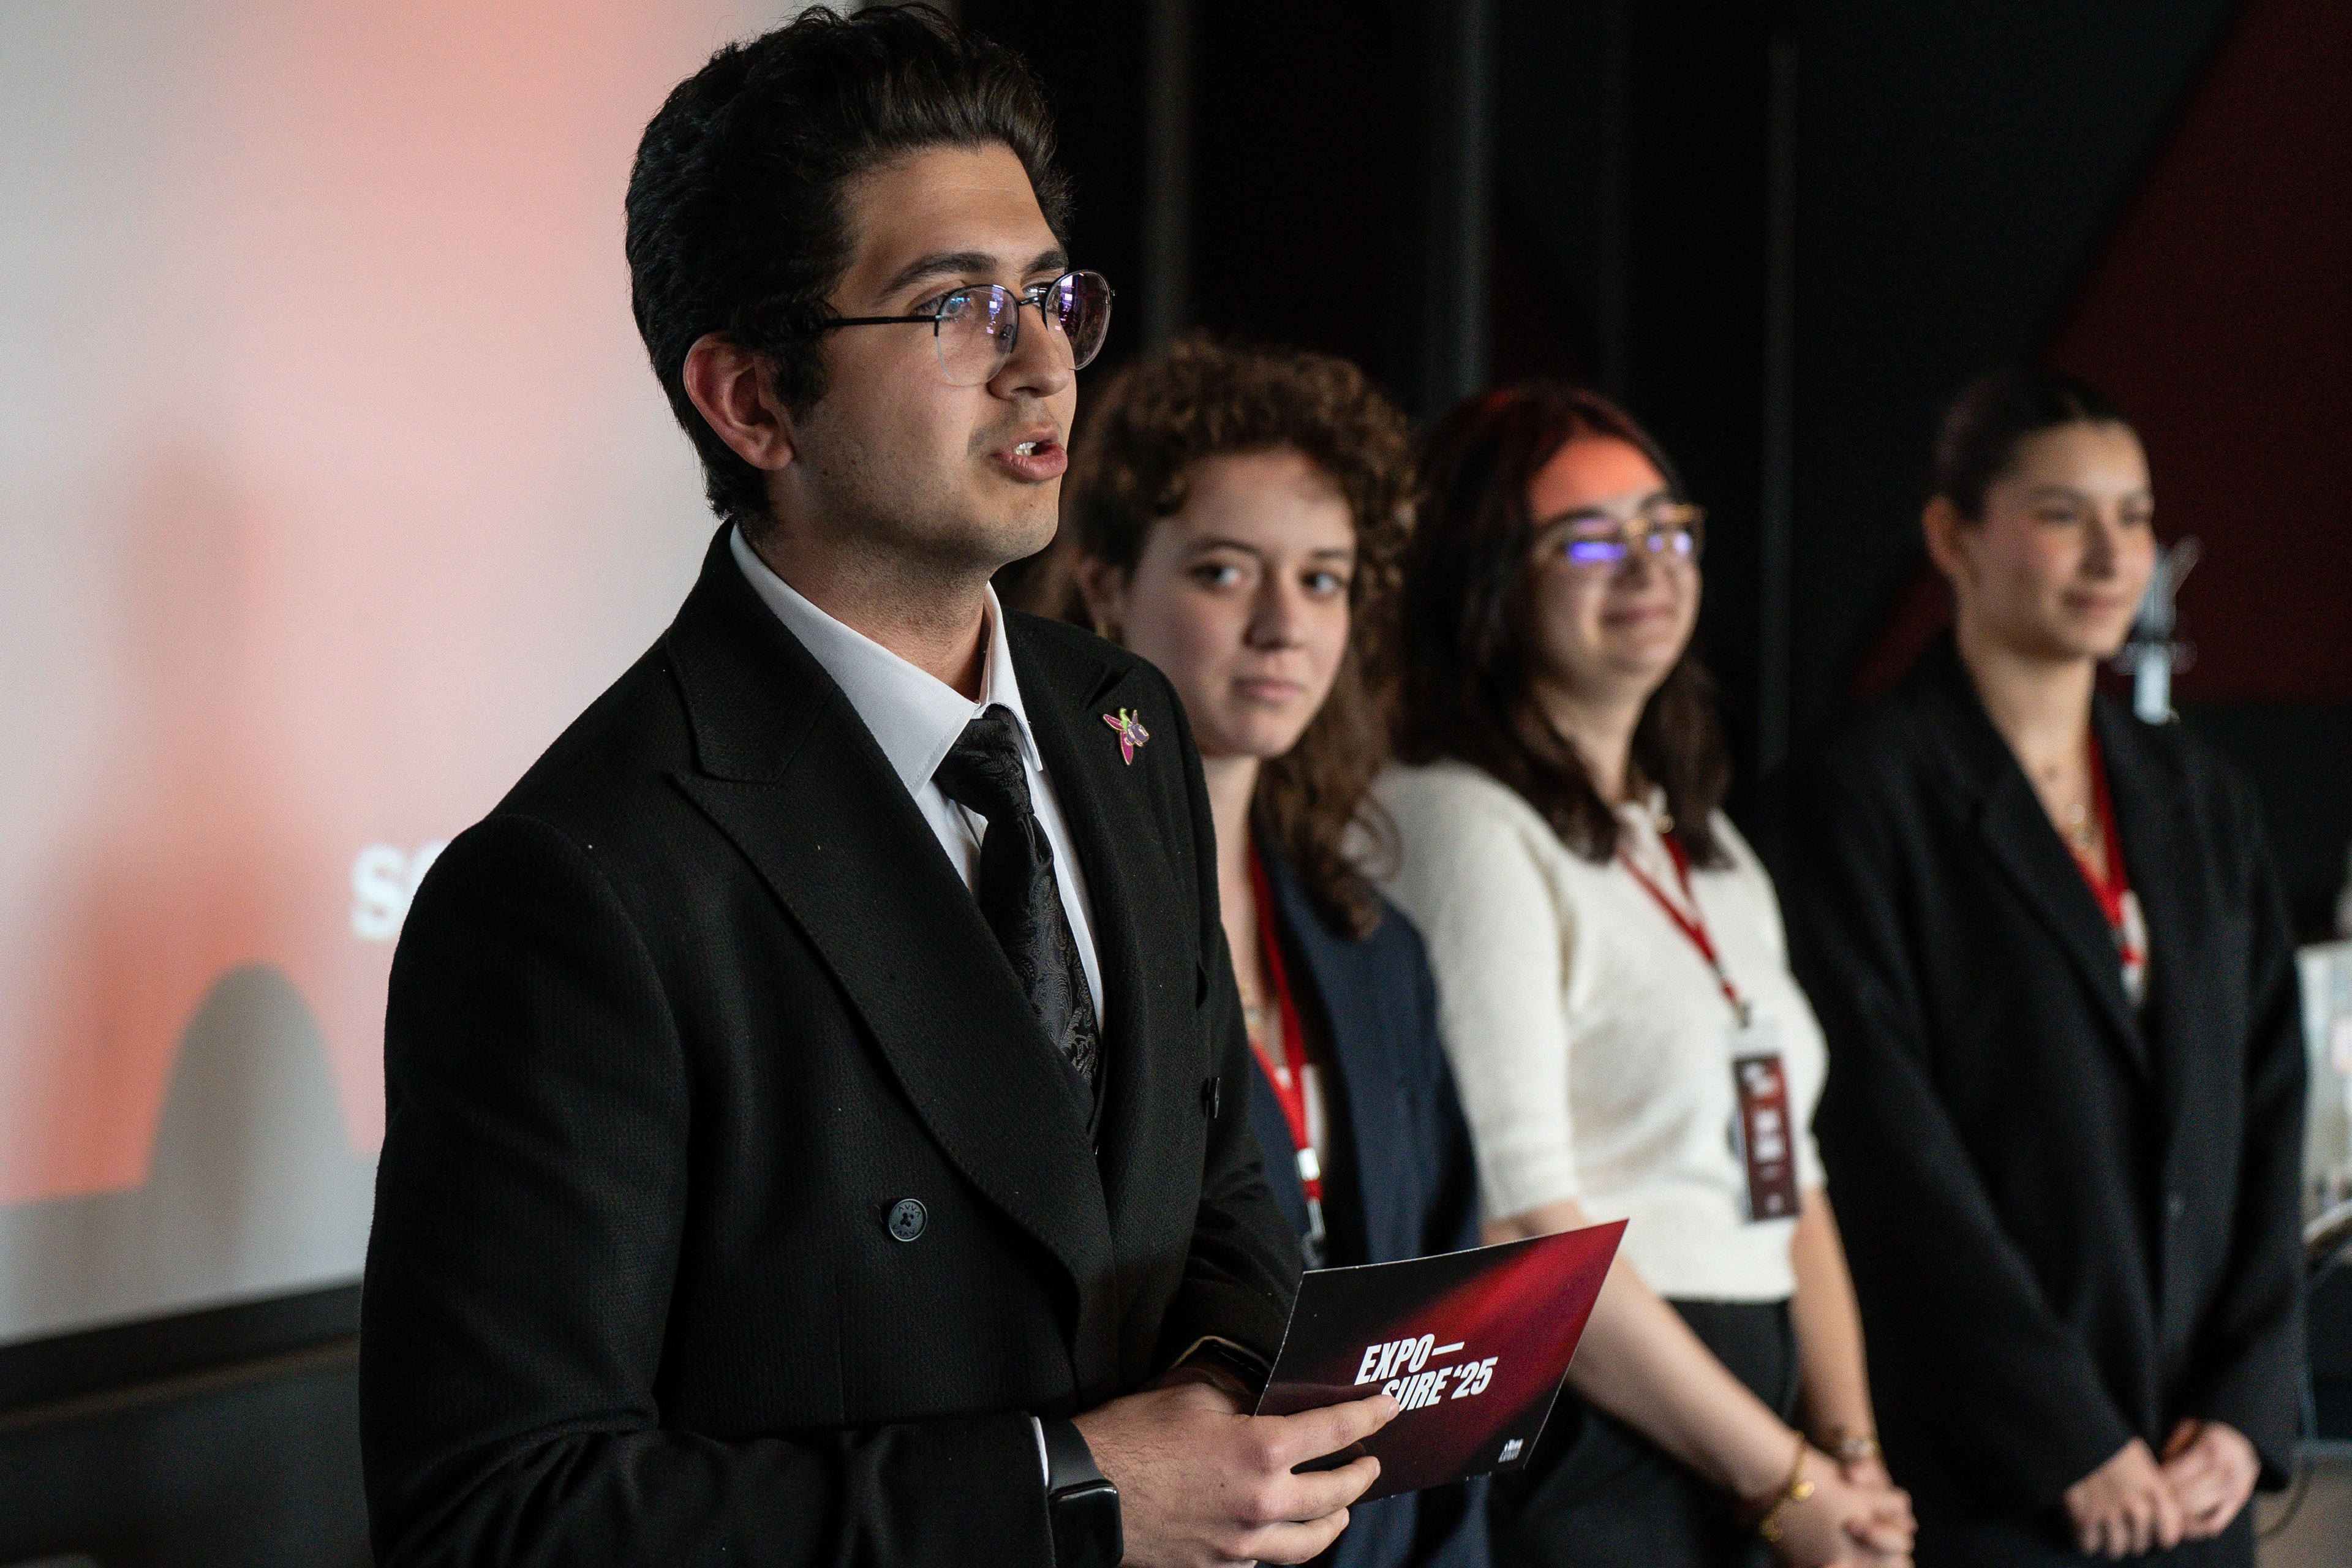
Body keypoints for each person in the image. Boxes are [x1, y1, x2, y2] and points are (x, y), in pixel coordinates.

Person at [357, 10, 1398, 1567]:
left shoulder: (1124, 722)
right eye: (958, 306)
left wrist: (1208, 1413)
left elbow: (1224, 1186)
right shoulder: (583, 878)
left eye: (1050, 293)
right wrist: (1077, 1490)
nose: (1043, 362)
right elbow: (498, 1513)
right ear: (752, 401)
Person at [1765, 368, 2305, 1566]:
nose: (2113, 555)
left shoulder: (2198, 797)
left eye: (2135, 514)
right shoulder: (1856, 795)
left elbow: (2271, 1105)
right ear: (1951, 534)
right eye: (2064, 514)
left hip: (2193, 1473)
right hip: (1984, 1476)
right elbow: (1884, 1152)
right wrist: (2063, 1434)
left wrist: (2247, 1405)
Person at [1374, 383, 1917, 1568]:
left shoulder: (1701, 845)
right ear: (1482, 580)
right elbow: (1520, 1222)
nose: (1648, 567)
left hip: (1748, 1424)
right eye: (1588, 540)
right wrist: (1783, 1481)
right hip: (1594, 1425)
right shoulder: (1459, 821)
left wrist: (1850, 1453)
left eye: (1669, 529)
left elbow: (1792, 1181)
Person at [1062, 337, 1488, 1568]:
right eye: (1223, 570)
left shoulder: (1375, 947)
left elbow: (1448, 1317)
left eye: (1323, 579)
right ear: (1104, 586)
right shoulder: (1043, 928)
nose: (1281, 626)